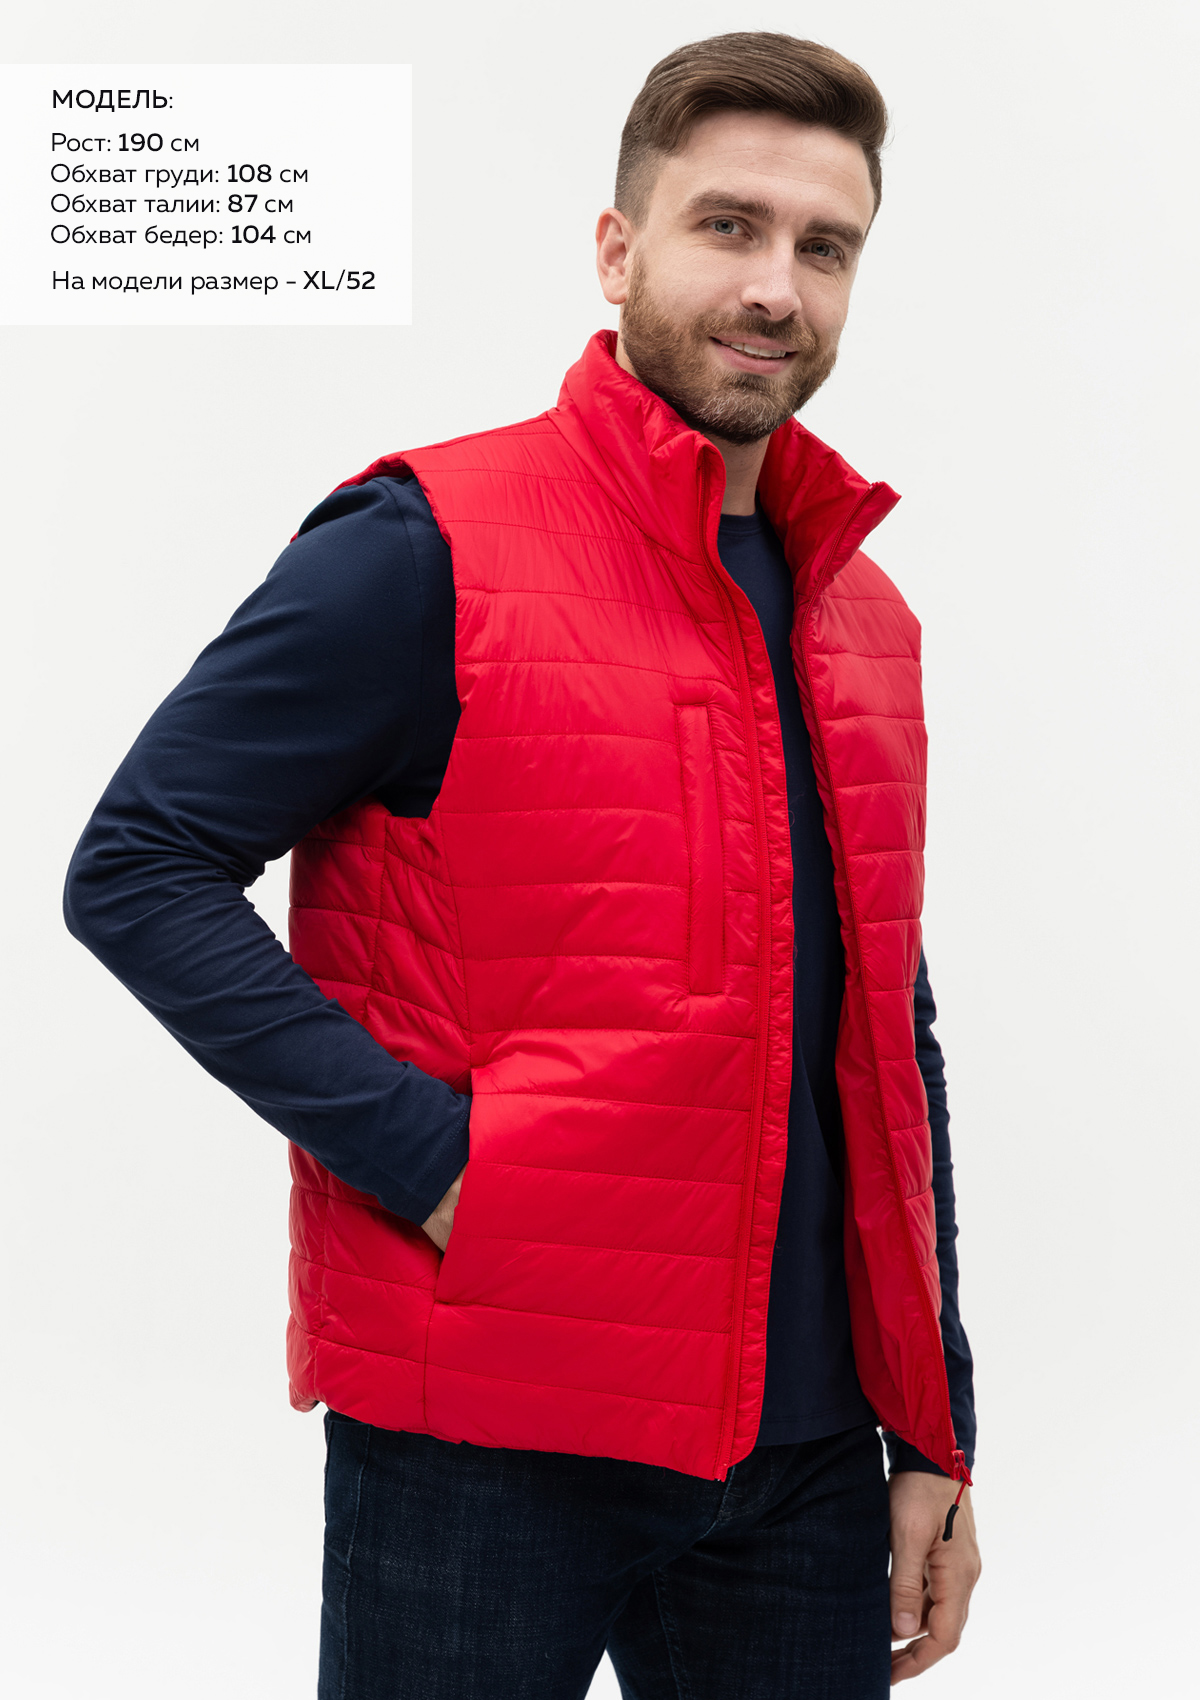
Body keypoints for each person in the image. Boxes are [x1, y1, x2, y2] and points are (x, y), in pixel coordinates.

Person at [64, 31, 981, 1698]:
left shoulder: (864, 613)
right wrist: (433, 1162)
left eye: (824, 246)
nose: (774, 286)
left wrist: (935, 1424)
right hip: (486, 1436)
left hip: (806, 1460)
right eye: (727, 225)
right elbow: (139, 865)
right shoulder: (426, 546)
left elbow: (886, 1043)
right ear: (618, 250)